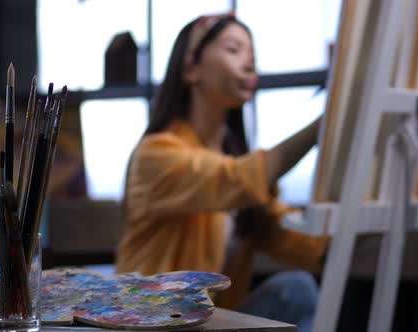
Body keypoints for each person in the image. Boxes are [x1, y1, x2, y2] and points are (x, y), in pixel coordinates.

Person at [116, 13, 329, 332]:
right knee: (295, 290)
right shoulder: (155, 155)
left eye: (252, 57)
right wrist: (327, 124)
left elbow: (300, 241)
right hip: (153, 324)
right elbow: (233, 179)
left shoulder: (237, 167)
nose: (248, 65)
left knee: (295, 288)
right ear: (191, 67)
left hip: (210, 324)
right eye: (234, 50)